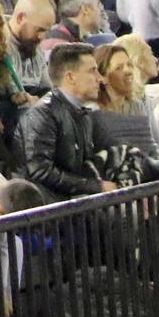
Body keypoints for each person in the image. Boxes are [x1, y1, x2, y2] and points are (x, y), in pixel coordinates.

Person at [16, 43, 117, 202]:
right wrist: (97, 187)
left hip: (74, 203)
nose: (100, 79)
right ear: (70, 77)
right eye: (92, 71)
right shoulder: (42, 114)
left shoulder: (83, 113)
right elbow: (40, 171)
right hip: (47, 210)